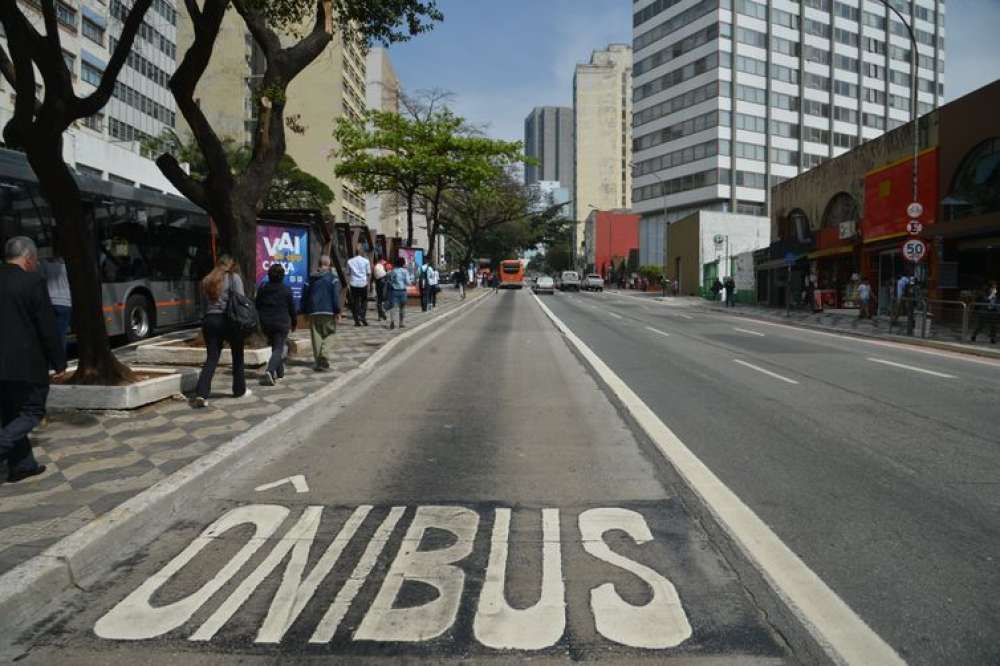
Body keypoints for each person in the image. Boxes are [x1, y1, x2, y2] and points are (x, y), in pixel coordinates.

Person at [0, 237, 66, 483]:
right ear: (29, 258)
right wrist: (59, 362)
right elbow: (47, 327)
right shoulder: (32, 281)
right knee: (32, 411)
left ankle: (23, 465)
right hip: (26, 364)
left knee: (10, 412)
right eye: (35, 260)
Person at [193, 256, 248, 407]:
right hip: (229, 320)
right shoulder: (233, 278)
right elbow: (241, 299)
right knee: (237, 354)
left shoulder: (206, 280)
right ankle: (239, 389)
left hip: (209, 321)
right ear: (231, 265)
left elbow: (203, 306)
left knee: (212, 358)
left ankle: (201, 393)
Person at [255, 263, 296, 386]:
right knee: (279, 348)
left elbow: (257, 305)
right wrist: (294, 322)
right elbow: (292, 308)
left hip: (266, 323)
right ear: (282, 276)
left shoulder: (263, 288)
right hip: (281, 322)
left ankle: (280, 371)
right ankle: (269, 371)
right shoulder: (286, 289)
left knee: (275, 346)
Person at [301, 255, 341, 371]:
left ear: (319, 264)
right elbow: (335, 296)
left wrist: (304, 311)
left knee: (316, 335)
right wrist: (337, 310)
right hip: (328, 310)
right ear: (329, 264)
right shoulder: (333, 279)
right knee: (330, 333)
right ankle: (324, 355)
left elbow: (305, 295)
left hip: (313, 310)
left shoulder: (310, 278)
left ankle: (319, 362)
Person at [41, 256, 72, 357]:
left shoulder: (44, 263)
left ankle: (50, 360)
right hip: (65, 302)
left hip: (50, 301)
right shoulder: (66, 264)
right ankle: (61, 360)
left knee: (50, 334)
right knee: (61, 335)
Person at [346, 247, 371, 327]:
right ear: (362, 253)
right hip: (363, 283)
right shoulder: (366, 261)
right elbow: (368, 273)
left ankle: (356, 320)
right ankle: (363, 316)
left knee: (355, 301)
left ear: (355, 252)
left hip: (354, 283)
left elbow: (348, 273)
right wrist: (368, 283)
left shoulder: (350, 261)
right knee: (364, 301)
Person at [387, 258, 411, 330]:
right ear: (403, 263)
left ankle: (392, 321)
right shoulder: (405, 271)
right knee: (402, 308)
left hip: (394, 291)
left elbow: (390, 280)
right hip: (403, 291)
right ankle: (401, 323)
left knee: (393, 307)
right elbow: (408, 282)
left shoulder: (393, 271)